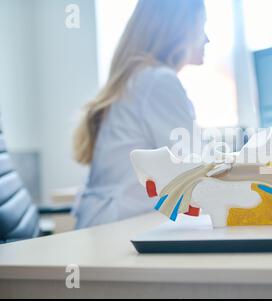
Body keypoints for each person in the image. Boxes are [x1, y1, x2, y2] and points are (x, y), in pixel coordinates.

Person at [72, 0, 208, 228]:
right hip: (119, 228)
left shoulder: (138, 79)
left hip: (104, 224)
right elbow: (195, 171)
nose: (206, 38)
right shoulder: (157, 81)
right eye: (202, 26)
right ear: (178, 29)